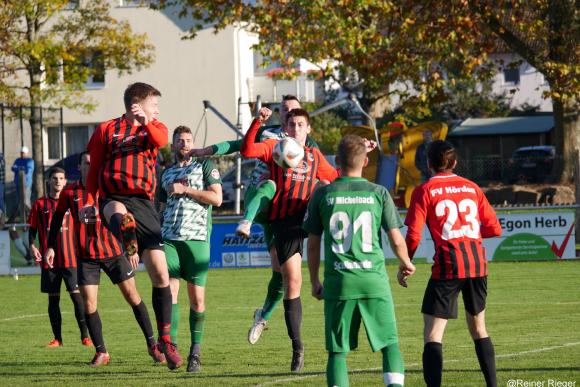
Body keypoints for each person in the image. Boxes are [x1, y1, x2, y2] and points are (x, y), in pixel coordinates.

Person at [189, 95, 315, 345]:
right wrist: (208, 150)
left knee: (281, 272)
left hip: (283, 210)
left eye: (294, 110)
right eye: (285, 110)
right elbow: (237, 145)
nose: (290, 114)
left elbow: (319, 174)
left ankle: (262, 316)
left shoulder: (307, 145)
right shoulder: (269, 135)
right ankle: (245, 221)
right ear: (281, 114)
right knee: (267, 183)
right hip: (259, 199)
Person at [79, 82, 182, 370]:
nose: (157, 110)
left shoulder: (154, 126)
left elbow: (161, 140)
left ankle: (165, 341)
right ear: (137, 103)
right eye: (154, 104)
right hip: (114, 197)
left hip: (144, 203)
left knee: (161, 274)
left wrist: (146, 120)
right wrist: (89, 199)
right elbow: (95, 167)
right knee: (115, 211)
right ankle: (127, 233)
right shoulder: (106, 130)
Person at [303, 134, 416, 387]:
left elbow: (311, 244)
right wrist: (405, 262)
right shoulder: (378, 193)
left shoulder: (322, 194)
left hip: (339, 282)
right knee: (389, 343)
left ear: (336, 162)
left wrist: (314, 281)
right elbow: (396, 240)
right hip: (373, 281)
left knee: (337, 351)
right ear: (366, 162)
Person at [241, 107, 339, 372]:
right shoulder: (275, 148)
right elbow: (247, 151)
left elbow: (337, 178)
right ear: (285, 128)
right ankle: (264, 316)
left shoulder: (315, 157)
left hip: (297, 222)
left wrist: (361, 160)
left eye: (300, 125)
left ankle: (297, 348)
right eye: (291, 125)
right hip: (275, 220)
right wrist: (256, 123)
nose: (295, 129)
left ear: (308, 129)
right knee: (281, 274)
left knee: (293, 279)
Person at [45, 152, 166, 367]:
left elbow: (129, 219)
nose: (90, 167)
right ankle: (102, 352)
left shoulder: (109, 191)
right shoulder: (70, 192)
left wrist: (133, 246)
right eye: (86, 163)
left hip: (114, 253)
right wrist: (51, 246)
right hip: (86, 257)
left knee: (132, 296)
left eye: (94, 163)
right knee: (88, 303)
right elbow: (56, 219)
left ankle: (152, 345)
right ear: (80, 166)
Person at [404, 140, 502, 387]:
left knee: (433, 334)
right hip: (477, 265)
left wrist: (406, 262)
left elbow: (414, 235)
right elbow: (494, 228)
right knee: (479, 328)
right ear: (455, 163)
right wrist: (467, 235)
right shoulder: (472, 187)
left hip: (448, 265)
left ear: (428, 164)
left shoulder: (424, 190)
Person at [159, 126, 222, 373]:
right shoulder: (165, 173)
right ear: (173, 145)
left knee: (197, 300)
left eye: (187, 140)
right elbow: (160, 208)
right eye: (179, 141)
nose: (184, 144)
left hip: (197, 240)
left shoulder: (205, 166)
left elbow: (216, 199)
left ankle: (195, 352)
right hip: (170, 240)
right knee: (170, 293)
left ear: (193, 143)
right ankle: (172, 347)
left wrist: (187, 190)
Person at [28, 167, 92, 348]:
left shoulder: (72, 201)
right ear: (49, 181)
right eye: (55, 178)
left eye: (61, 178)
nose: (58, 181)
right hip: (50, 262)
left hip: (71, 258)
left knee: (77, 298)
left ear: (65, 182)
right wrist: (32, 245)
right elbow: (32, 229)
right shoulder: (40, 204)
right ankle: (58, 339)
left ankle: (85, 337)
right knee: (53, 299)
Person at [11, 145, 34, 221]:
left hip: (26, 184)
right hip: (18, 183)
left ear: (27, 153)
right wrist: (20, 168)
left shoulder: (30, 161)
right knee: (19, 201)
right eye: (21, 153)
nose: (22, 154)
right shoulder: (17, 160)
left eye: (23, 153)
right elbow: (13, 168)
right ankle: (22, 218)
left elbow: (27, 170)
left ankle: (30, 216)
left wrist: (18, 168)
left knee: (26, 201)